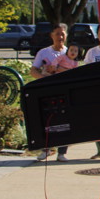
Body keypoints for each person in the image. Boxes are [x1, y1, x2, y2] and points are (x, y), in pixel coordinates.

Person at [30, 24, 71, 162]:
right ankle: (45, 149)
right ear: (52, 35)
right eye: (57, 34)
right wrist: (44, 79)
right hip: (47, 92)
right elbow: (33, 71)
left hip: (64, 91)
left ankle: (62, 152)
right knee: (47, 120)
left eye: (62, 34)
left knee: (65, 121)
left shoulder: (70, 52)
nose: (60, 37)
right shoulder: (44, 52)